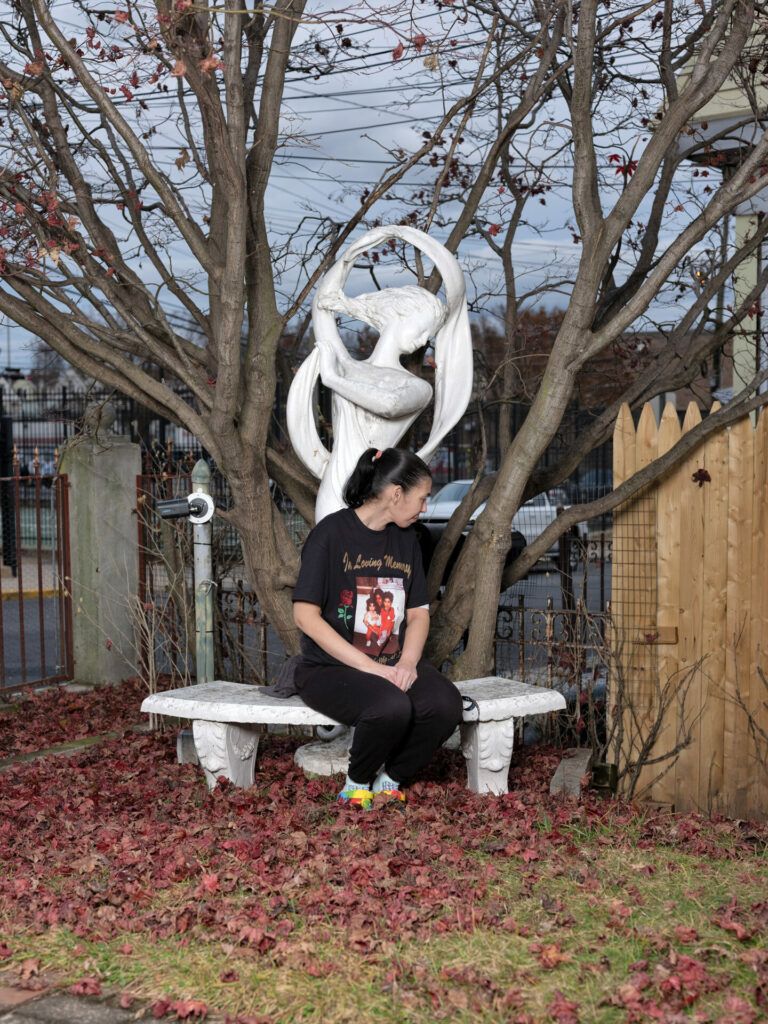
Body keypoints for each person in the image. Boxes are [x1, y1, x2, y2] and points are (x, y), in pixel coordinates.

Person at [292, 447, 463, 809]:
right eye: (422, 498)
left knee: (445, 704)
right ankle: (356, 785)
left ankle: (392, 779)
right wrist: (373, 669)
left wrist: (408, 664)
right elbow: (305, 616)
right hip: (330, 668)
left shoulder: (407, 540)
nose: (424, 508)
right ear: (396, 493)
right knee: (391, 706)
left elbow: (418, 613)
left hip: (391, 661)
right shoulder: (330, 534)